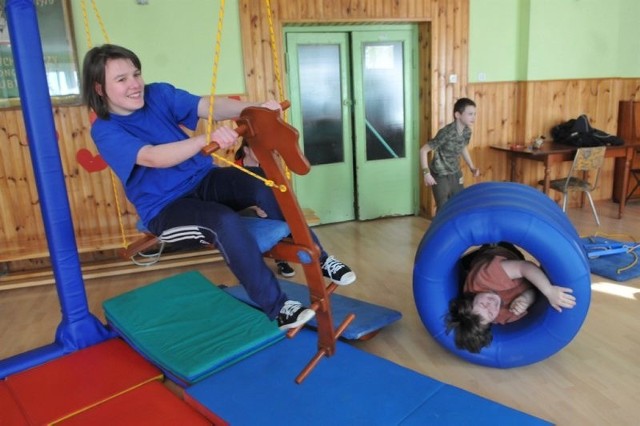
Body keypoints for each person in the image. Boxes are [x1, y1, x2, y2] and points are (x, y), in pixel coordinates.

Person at [82, 44, 356, 331]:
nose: (135, 84)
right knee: (222, 221)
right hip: (166, 207)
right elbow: (153, 157)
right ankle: (278, 308)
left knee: (264, 183)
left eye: (135, 74)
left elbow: (207, 106)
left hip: (203, 180)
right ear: (100, 89)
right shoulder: (105, 129)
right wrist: (205, 140)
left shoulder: (158, 94)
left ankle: (321, 258)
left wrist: (254, 109)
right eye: (121, 79)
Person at [445, 244, 577, 353]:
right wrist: (527, 298)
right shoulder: (503, 316)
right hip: (519, 281)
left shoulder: (484, 277)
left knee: (488, 254)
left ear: (471, 299)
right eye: (490, 313)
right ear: (493, 321)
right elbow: (535, 293)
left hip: (497, 250)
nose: (491, 305)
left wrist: (548, 290)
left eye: (483, 305)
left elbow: (524, 266)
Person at [234, 140, 295, 278]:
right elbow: (233, 200)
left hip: (264, 206)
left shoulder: (267, 166)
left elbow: (277, 192)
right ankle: (252, 265)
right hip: (244, 209)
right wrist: (254, 207)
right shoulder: (235, 169)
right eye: (257, 149)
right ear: (246, 150)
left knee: (278, 215)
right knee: (257, 219)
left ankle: (281, 260)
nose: (263, 154)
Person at [420, 97, 480, 210]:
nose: (474, 117)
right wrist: (426, 173)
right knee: (443, 207)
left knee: (459, 203)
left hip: (455, 172)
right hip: (440, 174)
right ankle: (439, 228)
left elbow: (462, 147)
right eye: (470, 114)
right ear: (457, 115)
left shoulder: (467, 131)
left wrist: (472, 167)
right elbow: (423, 150)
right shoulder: (445, 133)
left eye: (475, 114)